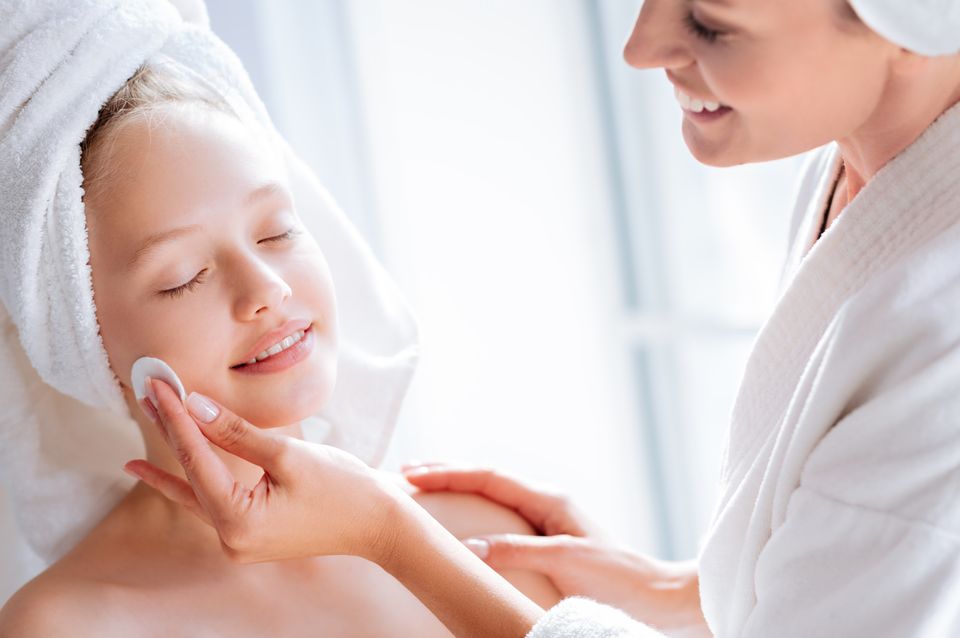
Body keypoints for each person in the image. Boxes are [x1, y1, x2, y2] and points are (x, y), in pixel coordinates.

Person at [74, 0, 960, 636]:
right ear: (79, 327)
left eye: (712, 21)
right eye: (183, 275)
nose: (641, 44)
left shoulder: (448, 533)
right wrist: (689, 593)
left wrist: (395, 537)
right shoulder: (869, 170)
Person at [0, 3, 561, 635]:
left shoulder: (488, 542)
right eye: (185, 276)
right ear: (83, 340)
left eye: (277, 232)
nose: (265, 289)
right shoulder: (68, 624)